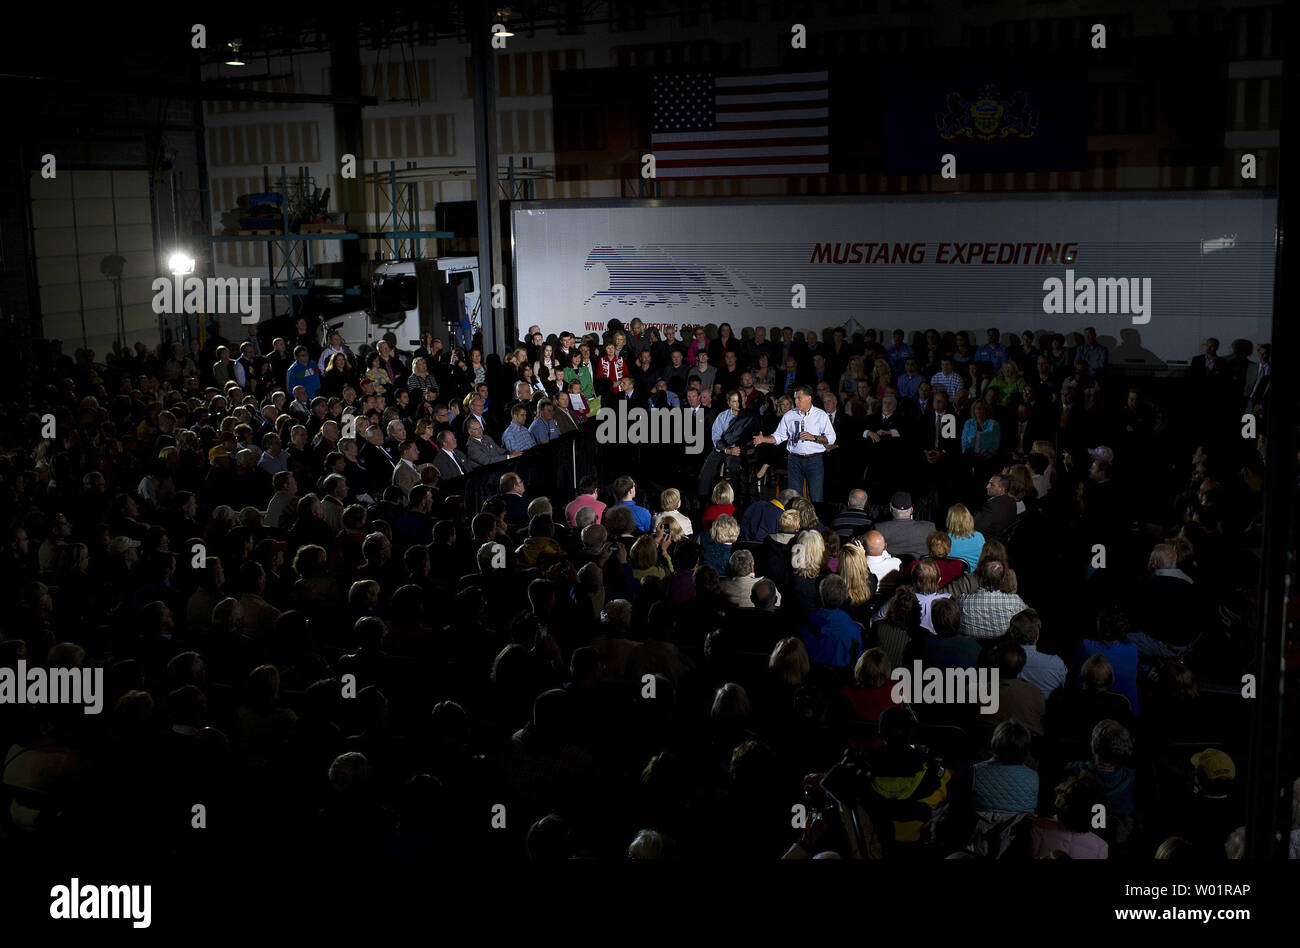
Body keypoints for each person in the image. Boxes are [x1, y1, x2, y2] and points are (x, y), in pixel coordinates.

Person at [752, 385, 835, 502]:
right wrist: (763, 439)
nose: (796, 401)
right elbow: (779, 436)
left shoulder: (820, 415)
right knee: (795, 498)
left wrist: (814, 437)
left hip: (814, 461)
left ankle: (816, 520)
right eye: (795, 398)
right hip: (794, 460)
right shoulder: (789, 415)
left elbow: (831, 438)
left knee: (816, 497)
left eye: (799, 398)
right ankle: (796, 520)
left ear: (809, 399)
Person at [874, 492, 936, 559]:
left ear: (890, 509)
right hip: (920, 568)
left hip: (891, 568)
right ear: (911, 510)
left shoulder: (880, 529)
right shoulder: (929, 528)